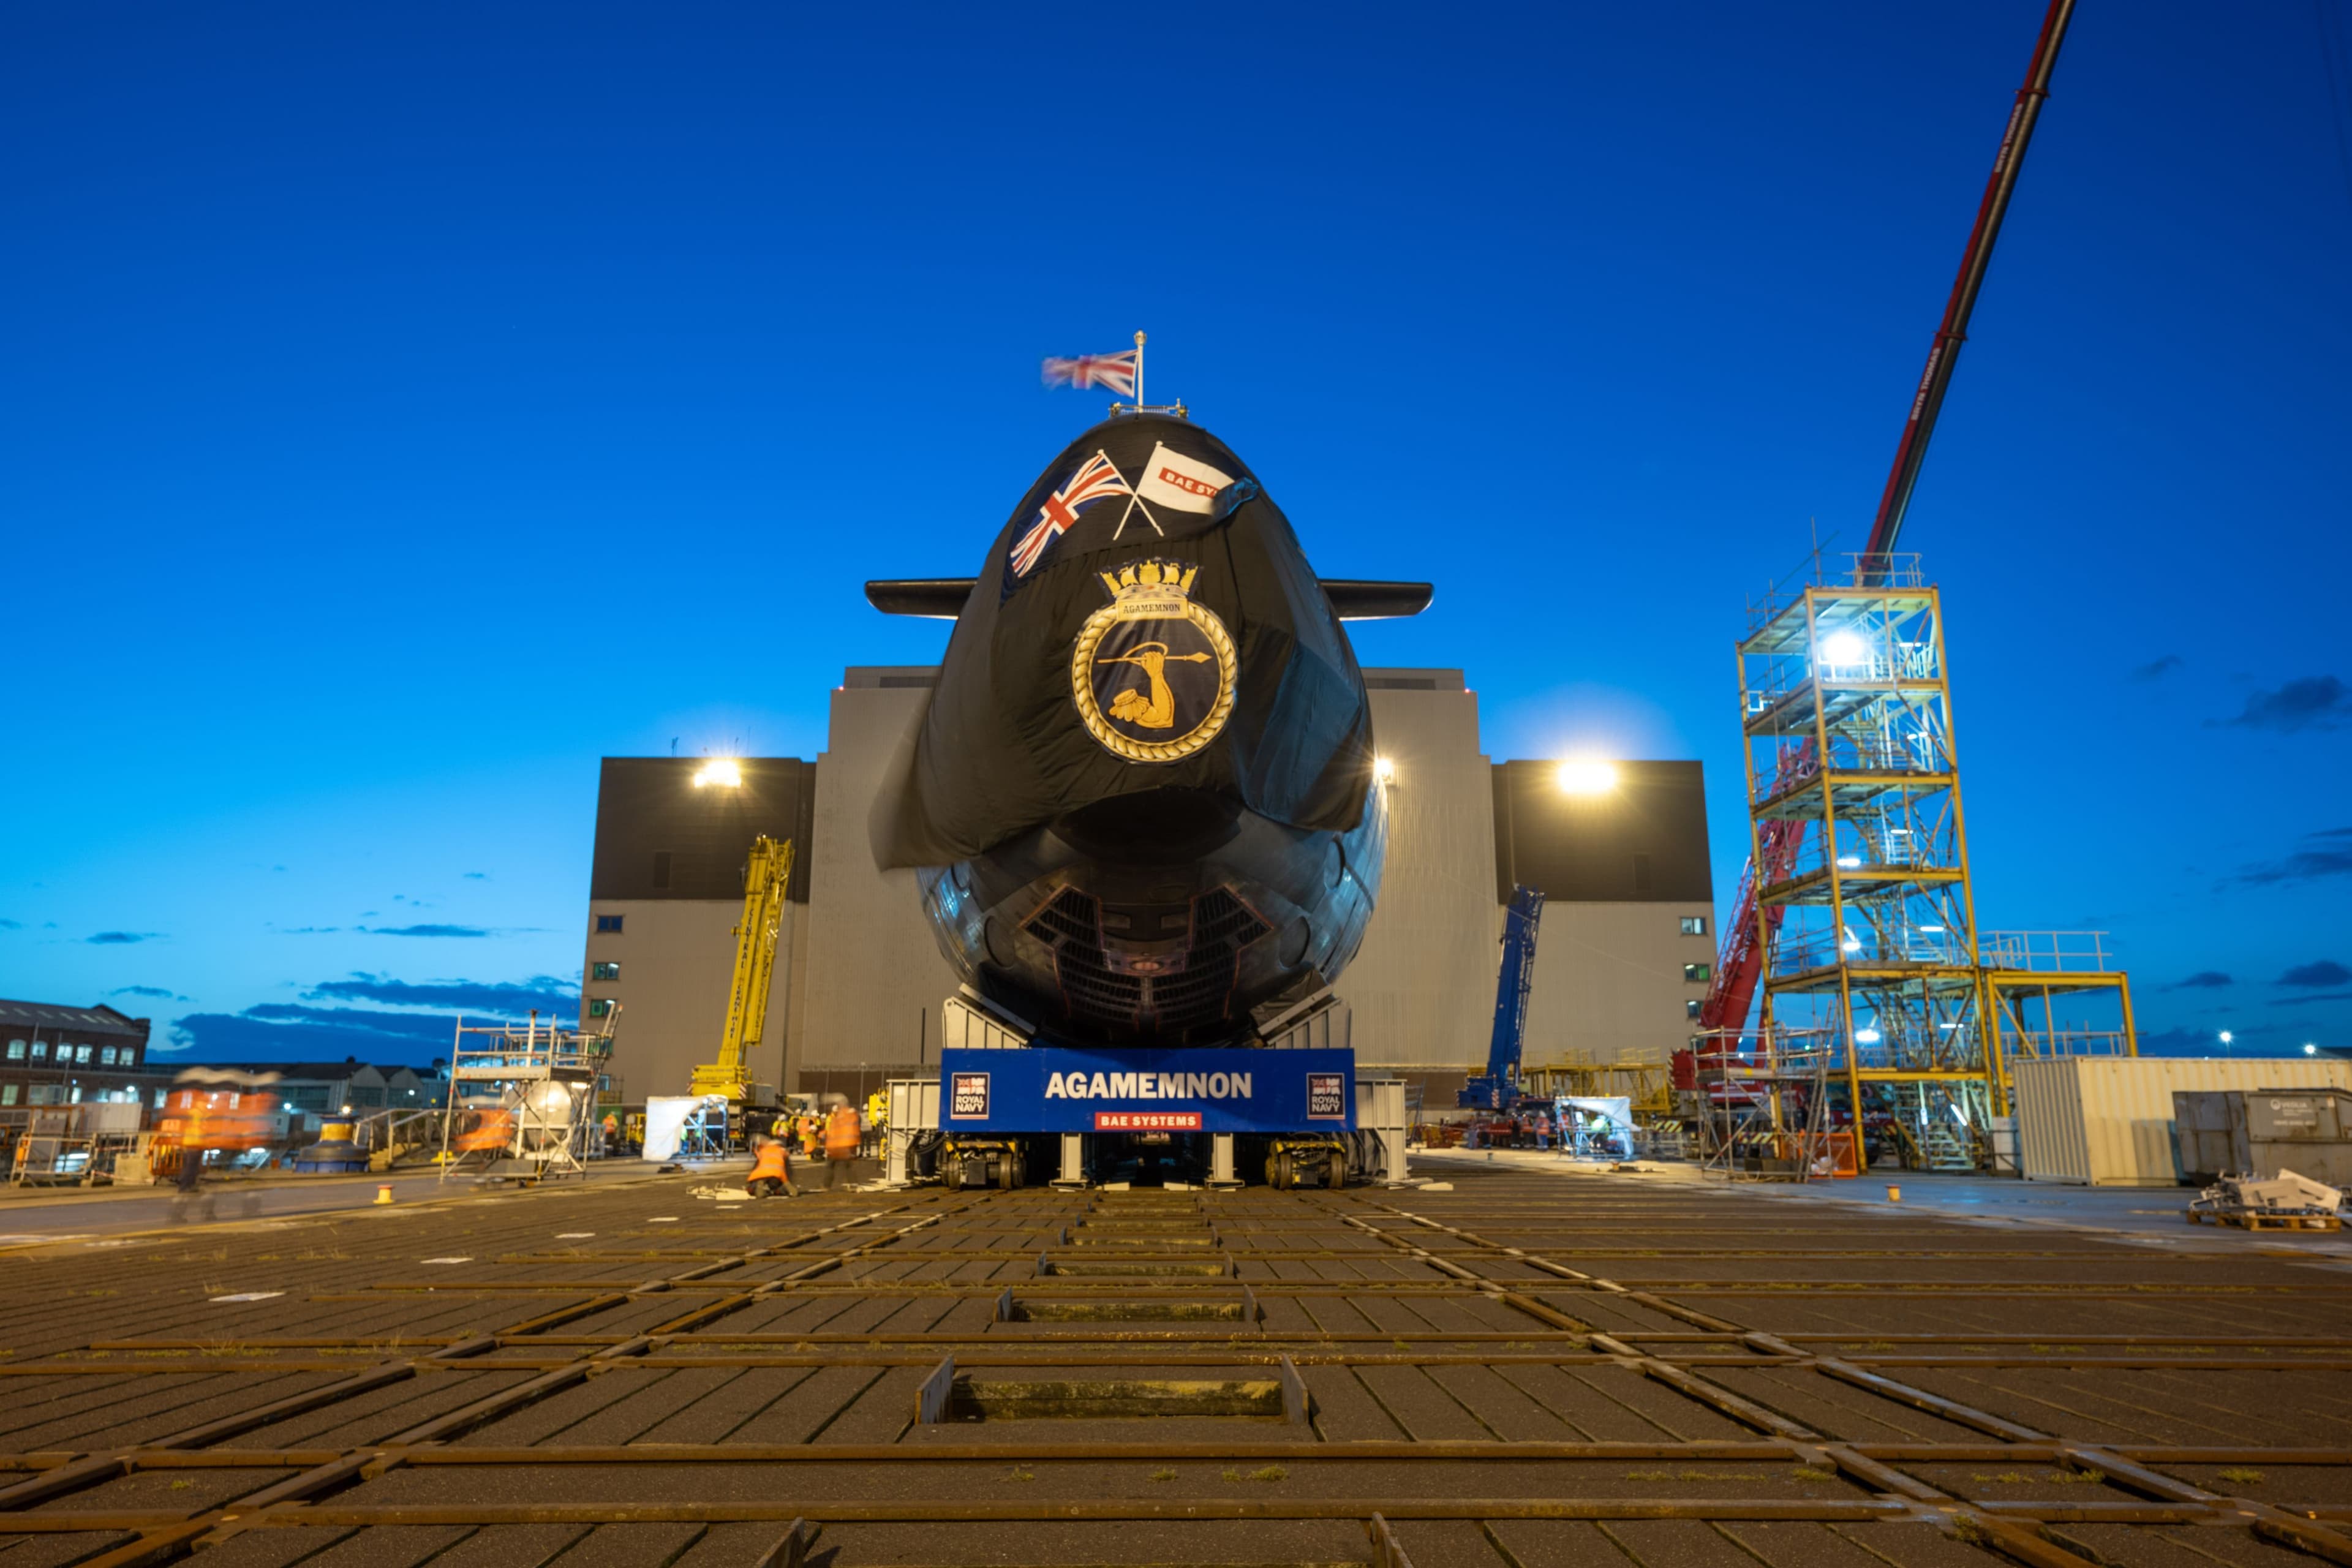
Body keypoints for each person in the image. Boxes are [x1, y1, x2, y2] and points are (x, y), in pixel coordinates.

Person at [824, 1101, 861, 1188]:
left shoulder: (835, 1121)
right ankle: (853, 1185)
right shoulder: (847, 1120)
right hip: (843, 1149)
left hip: (835, 1148)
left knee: (831, 1166)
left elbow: (831, 1135)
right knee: (848, 1167)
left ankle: (826, 1185)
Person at [745, 1133, 796, 1198]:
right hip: (777, 1177)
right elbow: (788, 1171)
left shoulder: (763, 1151)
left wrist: (751, 1184)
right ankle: (779, 1190)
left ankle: (757, 1188)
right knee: (781, 1184)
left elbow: (755, 1168)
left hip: (761, 1175)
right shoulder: (782, 1151)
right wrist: (787, 1183)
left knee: (759, 1180)